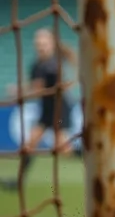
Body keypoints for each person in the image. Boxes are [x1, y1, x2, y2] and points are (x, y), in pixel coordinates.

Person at [2, 28, 79, 191]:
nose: (40, 46)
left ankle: (98, 160)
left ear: (51, 44)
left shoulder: (51, 65)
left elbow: (38, 89)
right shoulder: (38, 65)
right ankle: (18, 183)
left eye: (44, 43)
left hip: (59, 110)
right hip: (47, 111)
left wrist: (18, 92)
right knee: (29, 146)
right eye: (38, 43)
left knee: (65, 150)